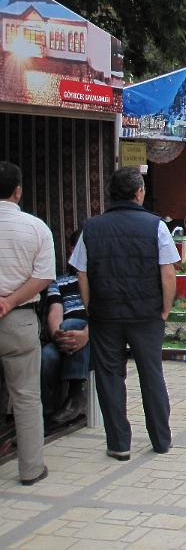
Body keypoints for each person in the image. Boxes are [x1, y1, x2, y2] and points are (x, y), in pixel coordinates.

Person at [71, 166, 177, 462]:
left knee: (109, 378)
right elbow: (168, 272)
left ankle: (119, 443)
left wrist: (91, 308)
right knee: (151, 375)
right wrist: (165, 310)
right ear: (139, 193)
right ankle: (160, 439)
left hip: (105, 315)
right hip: (147, 314)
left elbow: (82, 273)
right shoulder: (155, 225)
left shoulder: (91, 228)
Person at [0, 161, 54, 485]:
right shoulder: (35, 228)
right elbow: (44, 276)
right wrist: (10, 301)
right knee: (26, 395)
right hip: (19, 321)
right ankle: (31, 469)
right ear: (18, 190)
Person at [41, 229, 89, 430]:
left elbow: (104, 315)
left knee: (71, 325)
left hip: (92, 335)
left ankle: (76, 394)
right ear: (71, 250)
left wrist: (85, 334)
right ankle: (48, 411)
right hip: (65, 337)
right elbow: (55, 311)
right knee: (46, 355)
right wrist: (57, 335)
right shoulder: (58, 282)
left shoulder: (99, 280)